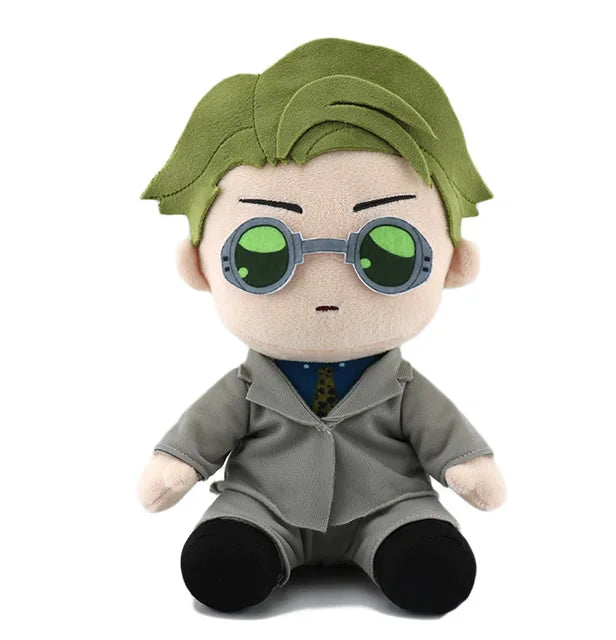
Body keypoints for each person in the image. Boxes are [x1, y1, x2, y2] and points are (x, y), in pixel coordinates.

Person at [137, 38, 506, 615]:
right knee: (223, 562)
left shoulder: (404, 390)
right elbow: (203, 434)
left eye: (387, 253)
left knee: (431, 565)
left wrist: (469, 467)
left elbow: (443, 436)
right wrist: (176, 465)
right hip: (264, 503)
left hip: (389, 504)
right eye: (264, 254)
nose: (328, 288)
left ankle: (402, 547)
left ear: (452, 265)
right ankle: (251, 548)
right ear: (200, 268)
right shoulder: (244, 390)